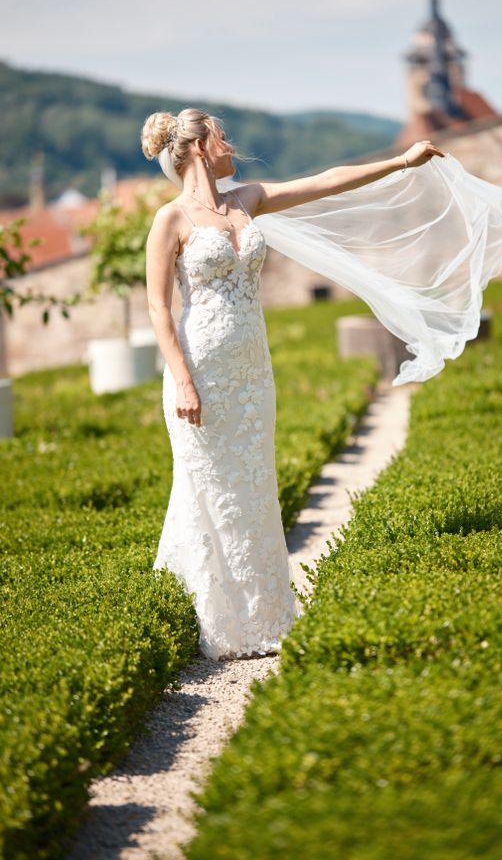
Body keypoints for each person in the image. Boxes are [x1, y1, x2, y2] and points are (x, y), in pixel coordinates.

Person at [140, 107, 444, 660]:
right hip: (200, 369)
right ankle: (212, 618)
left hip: (253, 370)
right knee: (207, 487)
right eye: (221, 134)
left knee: (253, 485)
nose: (231, 141)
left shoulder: (246, 200)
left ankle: (266, 613)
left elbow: (324, 182)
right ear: (201, 145)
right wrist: (183, 381)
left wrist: (402, 161)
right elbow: (158, 309)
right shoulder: (171, 219)